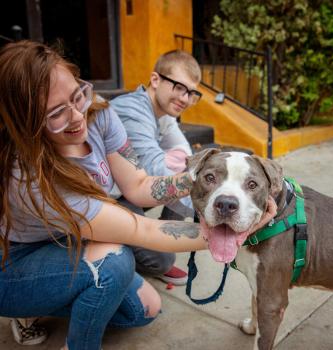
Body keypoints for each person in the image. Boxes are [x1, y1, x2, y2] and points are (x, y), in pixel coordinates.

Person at [0, 41, 276, 350]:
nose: (77, 116)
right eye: (55, 114)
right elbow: (140, 229)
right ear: (24, 124)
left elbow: (139, 184)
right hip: (18, 260)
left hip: (73, 238)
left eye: (77, 95)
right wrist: (235, 227)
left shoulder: (99, 113)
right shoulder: (29, 179)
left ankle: (59, 294)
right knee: (116, 263)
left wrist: (205, 178)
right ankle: (49, 323)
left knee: (146, 308)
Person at [110, 50, 203, 285]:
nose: (185, 99)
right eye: (179, 87)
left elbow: (188, 159)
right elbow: (155, 174)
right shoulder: (132, 111)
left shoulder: (164, 112)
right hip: (104, 197)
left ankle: (142, 237)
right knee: (161, 260)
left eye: (192, 93)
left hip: (128, 188)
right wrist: (210, 210)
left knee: (181, 170)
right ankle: (109, 249)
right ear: (155, 80)